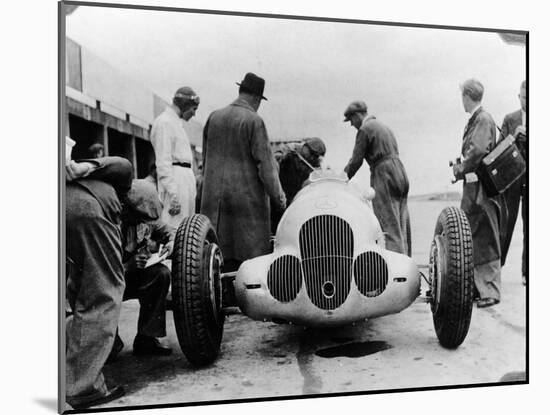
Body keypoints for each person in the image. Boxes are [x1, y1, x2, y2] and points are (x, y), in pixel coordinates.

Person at [200, 72, 286, 272]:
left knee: (217, 266)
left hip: (214, 209)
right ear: (257, 98)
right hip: (246, 214)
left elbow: (205, 161)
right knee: (250, 270)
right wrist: (280, 199)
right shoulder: (254, 121)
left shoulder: (214, 117)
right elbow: (267, 168)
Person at [65, 156, 132, 409]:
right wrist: (88, 167)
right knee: (104, 293)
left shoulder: (82, 179)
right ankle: (83, 389)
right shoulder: (123, 186)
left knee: (79, 286)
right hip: (86, 212)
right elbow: (124, 164)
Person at [452, 79, 502, 308]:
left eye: (462, 95)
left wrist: (460, 168)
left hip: (481, 187)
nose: (461, 99)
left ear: (467, 96)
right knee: (472, 234)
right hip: (476, 186)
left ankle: (490, 291)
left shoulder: (481, 119)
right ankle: (479, 288)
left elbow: (479, 150)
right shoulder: (480, 118)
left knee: (486, 236)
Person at [113, 179, 175, 358]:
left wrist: (171, 242)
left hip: (128, 279)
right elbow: (98, 272)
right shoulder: (108, 224)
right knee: (106, 354)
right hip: (106, 282)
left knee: (160, 275)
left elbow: (168, 230)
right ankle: (107, 342)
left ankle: (147, 339)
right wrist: (128, 266)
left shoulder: (143, 220)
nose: (144, 221)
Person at [343, 100, 411, 256]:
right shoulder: (383, 126)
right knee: (401, 226)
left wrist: (342, 178)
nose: (352, 125)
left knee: (389, 228)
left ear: (358, 115)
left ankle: (396, 271)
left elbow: (356, 161)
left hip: (383, 174)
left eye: (351, 120)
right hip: (400, 171)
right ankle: (407, 264)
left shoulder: (365, 129)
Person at [150, 86, 199, 229]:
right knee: (174, 228)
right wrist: (172, 193)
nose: (194, 114)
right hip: (176, 180)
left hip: (184, 179)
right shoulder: (164, 122)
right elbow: (163, 162)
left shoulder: (175, 123)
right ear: (185, 105)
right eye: (193, 109)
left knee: (187, 229)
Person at [499, 80, 527, 286]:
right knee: (505, 224)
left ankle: (528, 272)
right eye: (523, 97)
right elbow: (499, 148)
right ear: (518, 97)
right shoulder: (509, 119)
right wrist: (513, 136)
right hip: (512, 180)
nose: (526, 101)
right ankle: (496, 269)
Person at [271, 137, 326, 233]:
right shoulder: (292, 149)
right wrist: (280, 156)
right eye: (312, 154)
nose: (313, 158)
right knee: (275, 222)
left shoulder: (314, 163)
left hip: (294, 197)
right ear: (305, 146)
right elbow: (275, 157)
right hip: (280, 192)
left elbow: (315, 178)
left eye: (316, 156)